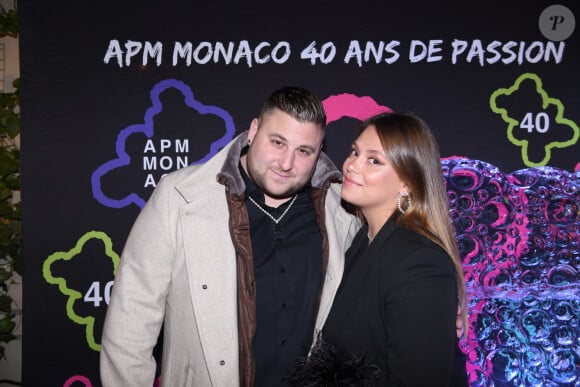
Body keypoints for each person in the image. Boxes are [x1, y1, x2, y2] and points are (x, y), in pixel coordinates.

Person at [99, 86, 361, 386]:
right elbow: (130, 321)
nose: (287, 163)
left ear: (319, 151)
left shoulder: (343, 212)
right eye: (277, 142)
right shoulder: (180, 196)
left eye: (304, 151)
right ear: (253, 130)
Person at [290, 112, 469, 386]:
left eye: (373, 160)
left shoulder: (420, 263)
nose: (351, 165)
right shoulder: (360, 244)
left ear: (407, 183)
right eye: (355, 152)